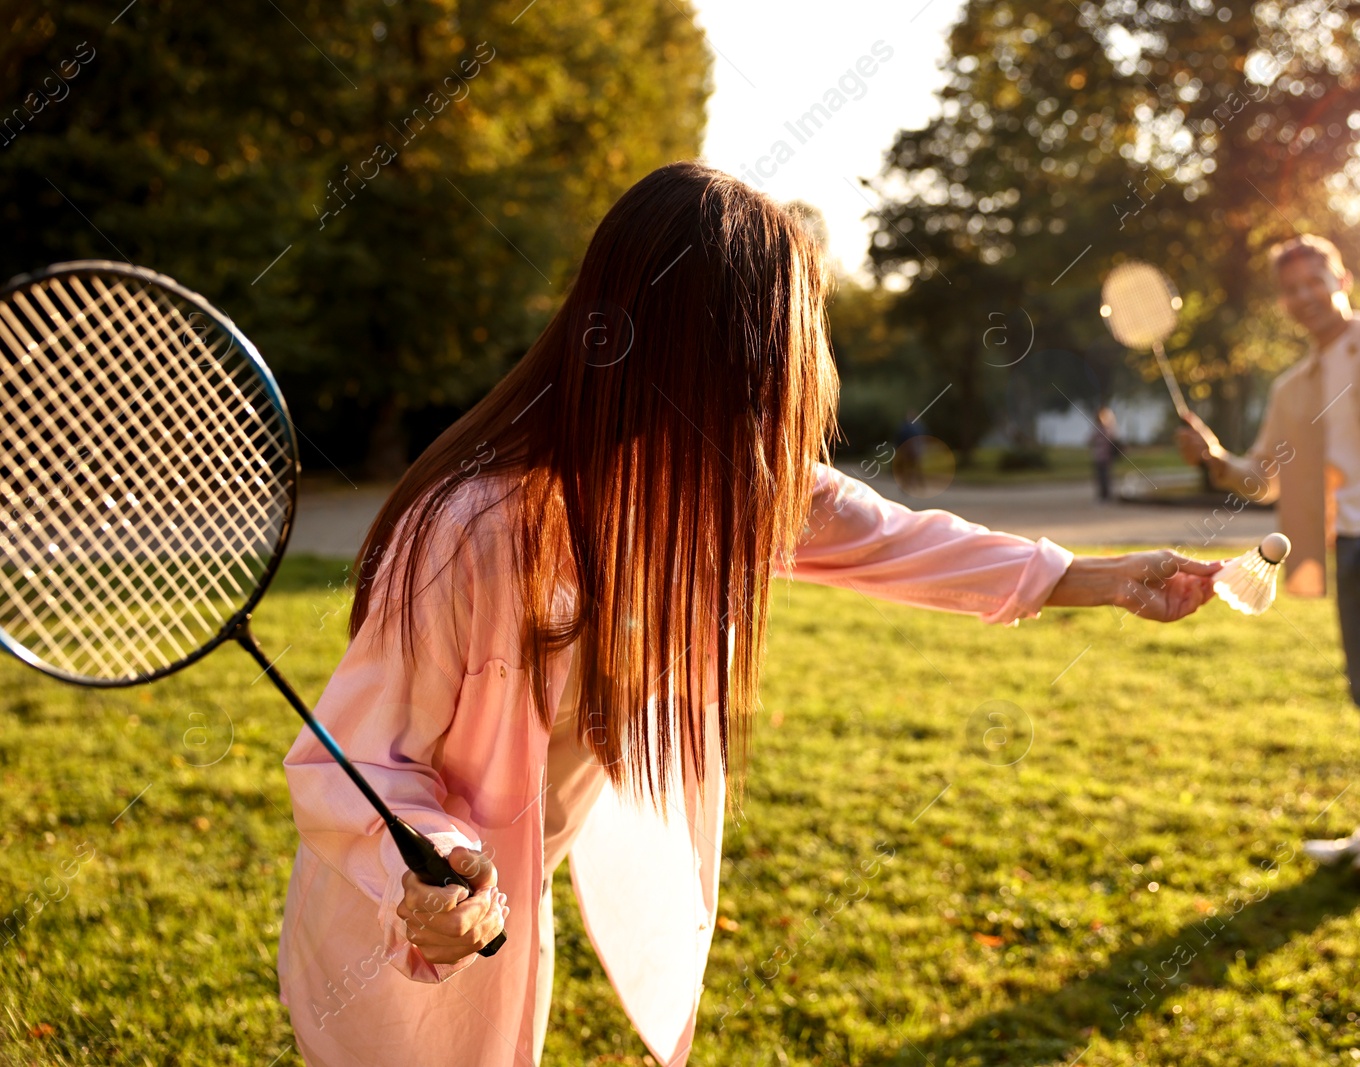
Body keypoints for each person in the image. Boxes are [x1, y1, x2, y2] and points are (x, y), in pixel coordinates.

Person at [276, 160, 1221, 1067]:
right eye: (777, 339)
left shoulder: (733, 491)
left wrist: (1106, 578)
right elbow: (351, 759)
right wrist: (436, 863)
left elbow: (905, 540)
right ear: (708, 348)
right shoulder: (474, 529)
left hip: (508, 909)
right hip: (387, 923)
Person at [1176, 234, 1360, 892]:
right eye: (1291, 288)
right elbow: (1263, 478)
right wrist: (1213, 457)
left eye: (1316, 279)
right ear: (1283, 302)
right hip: (1350, 549)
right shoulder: (1294, 386)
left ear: (1342, 277)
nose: (1305, 295)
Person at [1090, 406, 1119, 503]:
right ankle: (1103, 495)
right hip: (1100, 456)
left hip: (1106, 457)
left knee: (1105, 477)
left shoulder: (1108, 429)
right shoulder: (1101, 429)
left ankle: (1106, 496)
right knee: (1101, 477)